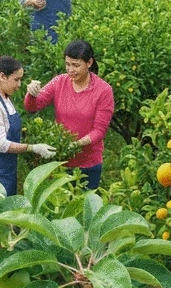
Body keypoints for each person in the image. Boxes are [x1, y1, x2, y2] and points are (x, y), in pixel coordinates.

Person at [24, 39, 114, 190]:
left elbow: (99, 131)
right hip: (61, 161)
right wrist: (31, 94)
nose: (70, 70)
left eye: (76, 65)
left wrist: (76, 145)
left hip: (88, 163)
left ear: (89, 63)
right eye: (67, 64)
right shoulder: (60, 82)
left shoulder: (103, 91)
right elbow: (33, 107)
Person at [0, 56, 56, 196]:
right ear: (2, 76)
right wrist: (32, 147)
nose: (19, 84)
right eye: (16, 79)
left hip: (7, 170)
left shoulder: (5, 99)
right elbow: (2, 145)